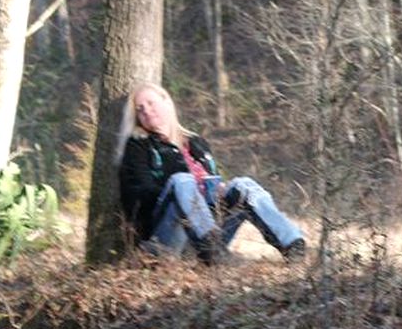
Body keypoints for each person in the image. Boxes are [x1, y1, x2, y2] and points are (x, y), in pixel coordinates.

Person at [117, 82, 306, 265]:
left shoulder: (197, 143)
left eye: (151, 103)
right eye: (140, 109)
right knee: (182, 181)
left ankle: (293, 244)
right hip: (169, 236)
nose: (147, 111)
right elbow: (137, 196)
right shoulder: (138, 146)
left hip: (211, 234)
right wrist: (184, 190)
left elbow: (213, 178)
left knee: (243, 185)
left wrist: (218, 191)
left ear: (166, 102)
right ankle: (211, 248)